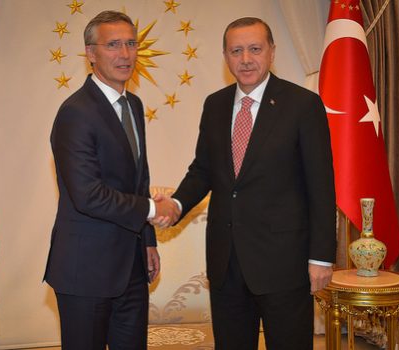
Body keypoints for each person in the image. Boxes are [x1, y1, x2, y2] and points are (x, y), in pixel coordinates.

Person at [162, 17, 336, 350]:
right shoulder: (215, 105)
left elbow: (322, 185)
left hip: (284, 263)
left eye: (255, 49)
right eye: (236, 51)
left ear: (272, 52)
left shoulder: (303, 105)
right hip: (226, 262)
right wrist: (177, 203)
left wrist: (321, 258)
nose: (245, 59)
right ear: (225, 57)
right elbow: (203, 170)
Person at [44, 10, 180, 350]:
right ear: (91, 54)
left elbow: (138, 179)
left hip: (132, 267)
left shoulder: (133, 105)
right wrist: (152, 209)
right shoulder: (75, 112)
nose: (125, 54)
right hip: (86, 270)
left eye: (131, 44)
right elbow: (88, 195)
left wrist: (148, 240)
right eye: (113, 45)